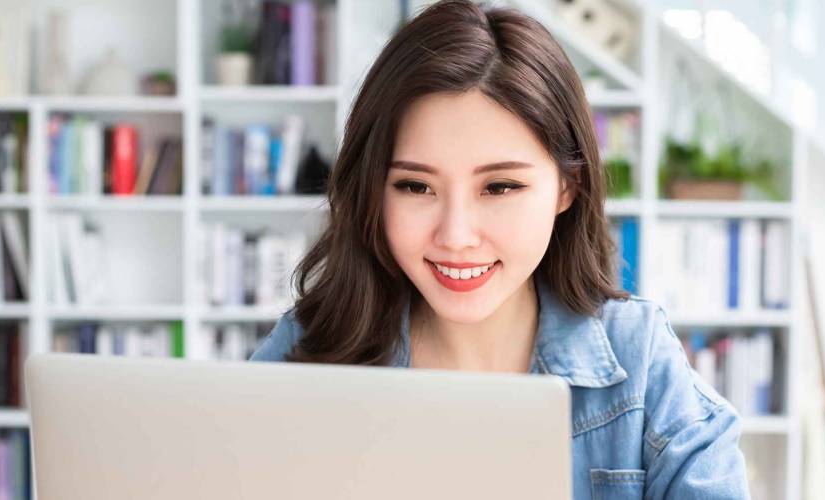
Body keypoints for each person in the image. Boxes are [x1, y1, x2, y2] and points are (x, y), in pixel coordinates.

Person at [251, 1, 750, 497]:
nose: (456, 235)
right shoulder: (308, 349)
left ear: (566, 187)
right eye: (415, 187)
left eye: (500, 187)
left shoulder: (637, 357)